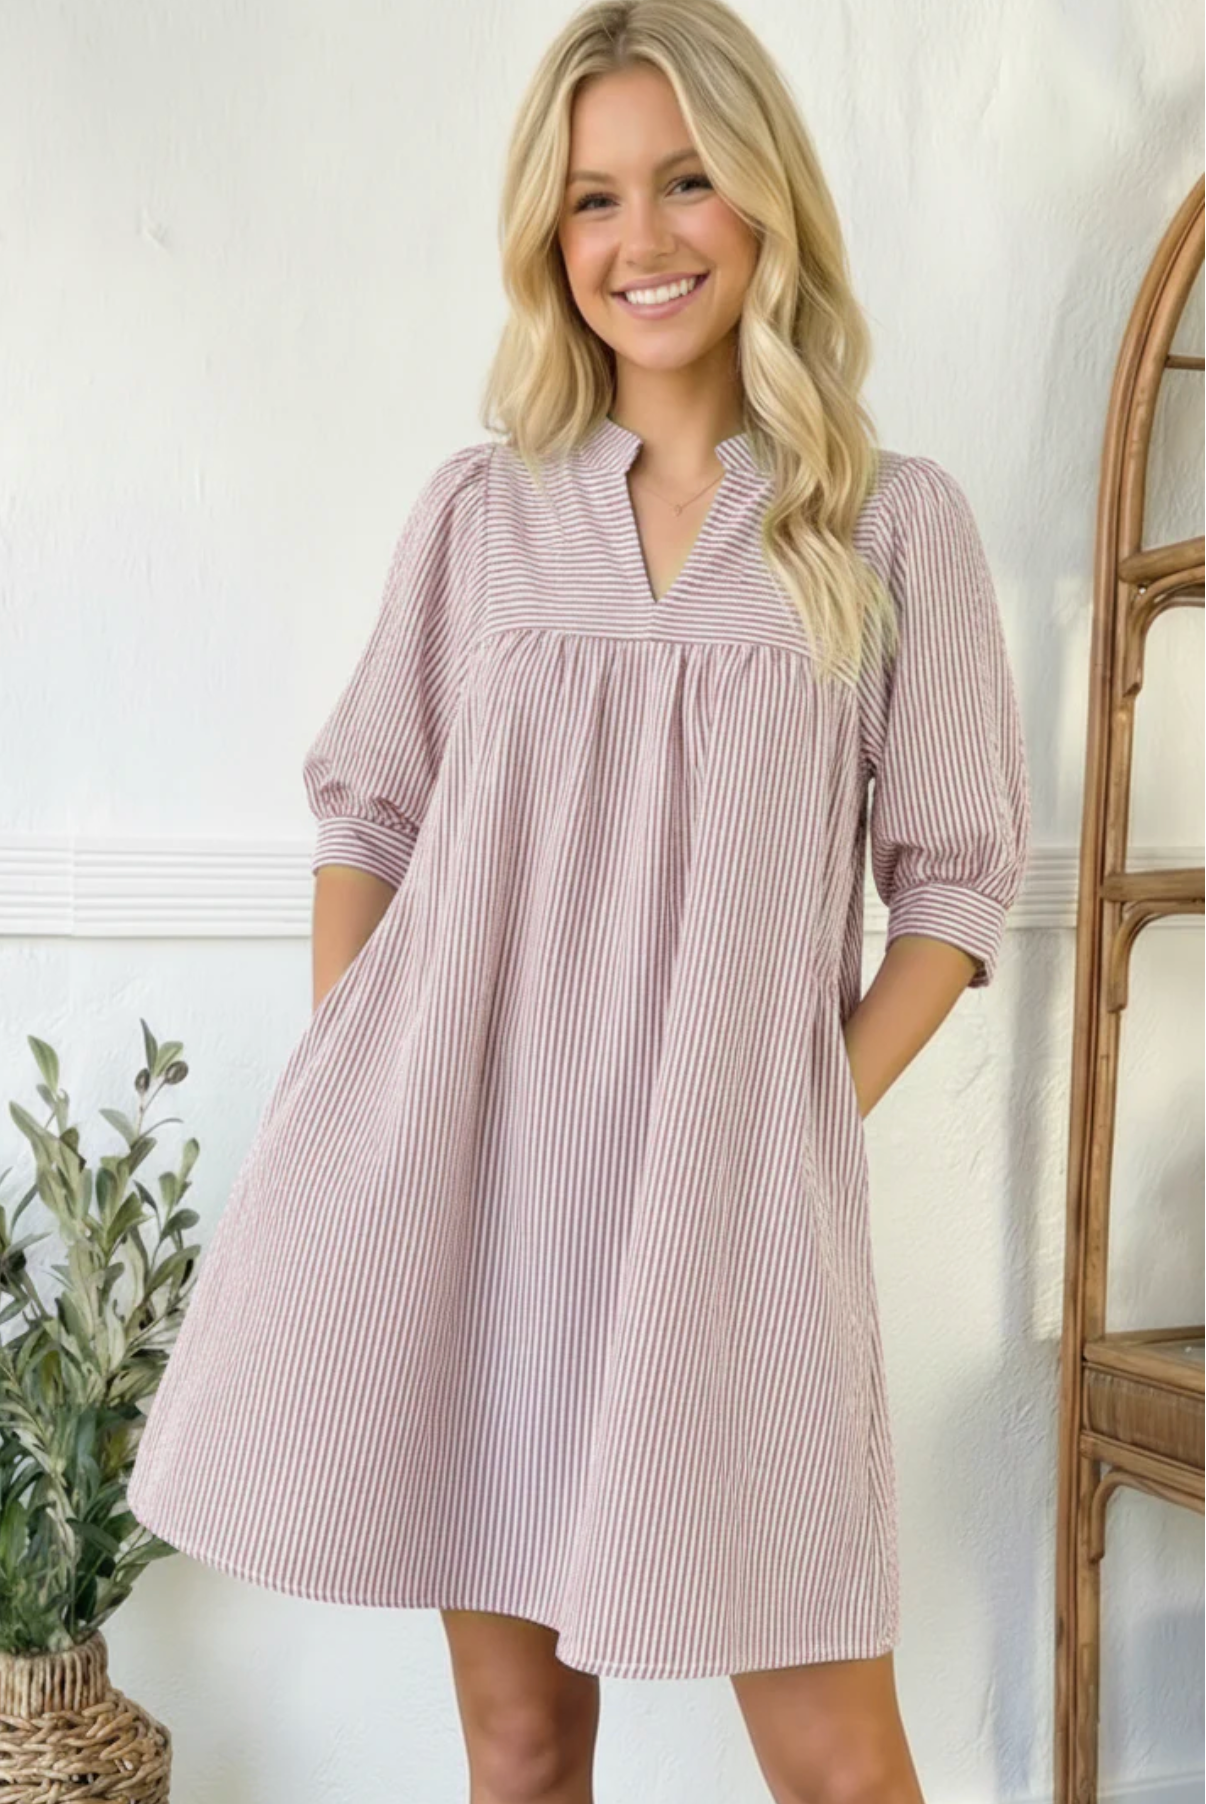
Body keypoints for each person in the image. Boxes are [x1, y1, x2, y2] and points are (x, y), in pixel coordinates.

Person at [127, 2, 1031, 1800]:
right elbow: (369, 808)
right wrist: (377, 1084)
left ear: (765, 199)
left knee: (839, 1763)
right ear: (550, 237)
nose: (642, 239)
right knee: (522, 1740)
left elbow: (954, 881)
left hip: (730, 1225)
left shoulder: (883, 525)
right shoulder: (485, 515)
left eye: (686, 181)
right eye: (593, 197)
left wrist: (795, 1114)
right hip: (489, 1208)